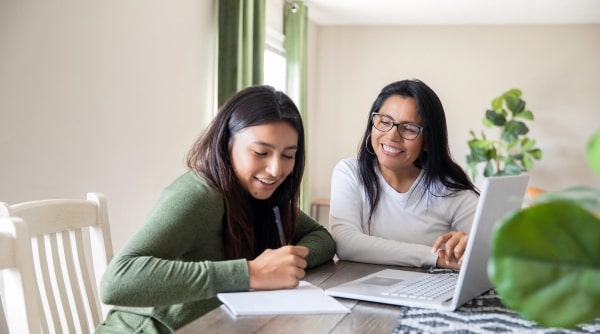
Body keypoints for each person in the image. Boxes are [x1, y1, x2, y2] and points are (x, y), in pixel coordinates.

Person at [96, 85, 336, 333]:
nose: (276, 169)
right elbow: (116, 281)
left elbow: (323, 239)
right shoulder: (198, 196)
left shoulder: (262, 197)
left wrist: (285, 263)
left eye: (288, 155)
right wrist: (250, 272)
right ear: (226, 144)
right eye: (261, 152)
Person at [329, 79, 479, 270]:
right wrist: (435, 258)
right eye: (384, 122)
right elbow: (346, 244)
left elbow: (494, 248)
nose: (392, 136)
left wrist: (472, 244)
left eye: (409, 128)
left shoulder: (449, 190)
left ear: (427, 141)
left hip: (427, 293)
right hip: (360, 289)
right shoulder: (350, 172)